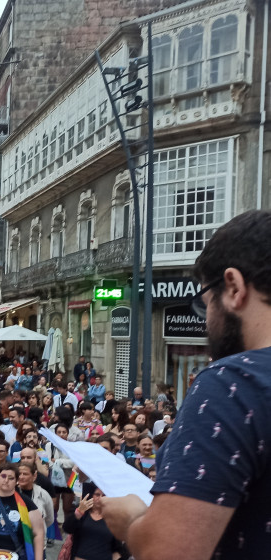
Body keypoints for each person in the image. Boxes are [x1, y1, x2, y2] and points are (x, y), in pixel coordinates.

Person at [101, 210, 271, 558]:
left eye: (206, 302)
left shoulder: (232, 383)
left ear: (235, 287)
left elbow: (169, 550)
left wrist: (132, 521)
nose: (206, 318)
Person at [0, 464, 45, 560]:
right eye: (3, 476)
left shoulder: (27, 504)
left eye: (11, 478)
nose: (6, 481)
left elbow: (38, 533)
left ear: (16, 481)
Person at [63, 483, 124, 560]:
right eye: (97, 495)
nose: (100, 498)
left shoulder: (113, 518)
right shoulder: (83, 513)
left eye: (104, 495)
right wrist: (78, 512)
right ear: (92, 496)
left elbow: (118, 548)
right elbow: (67, 528)